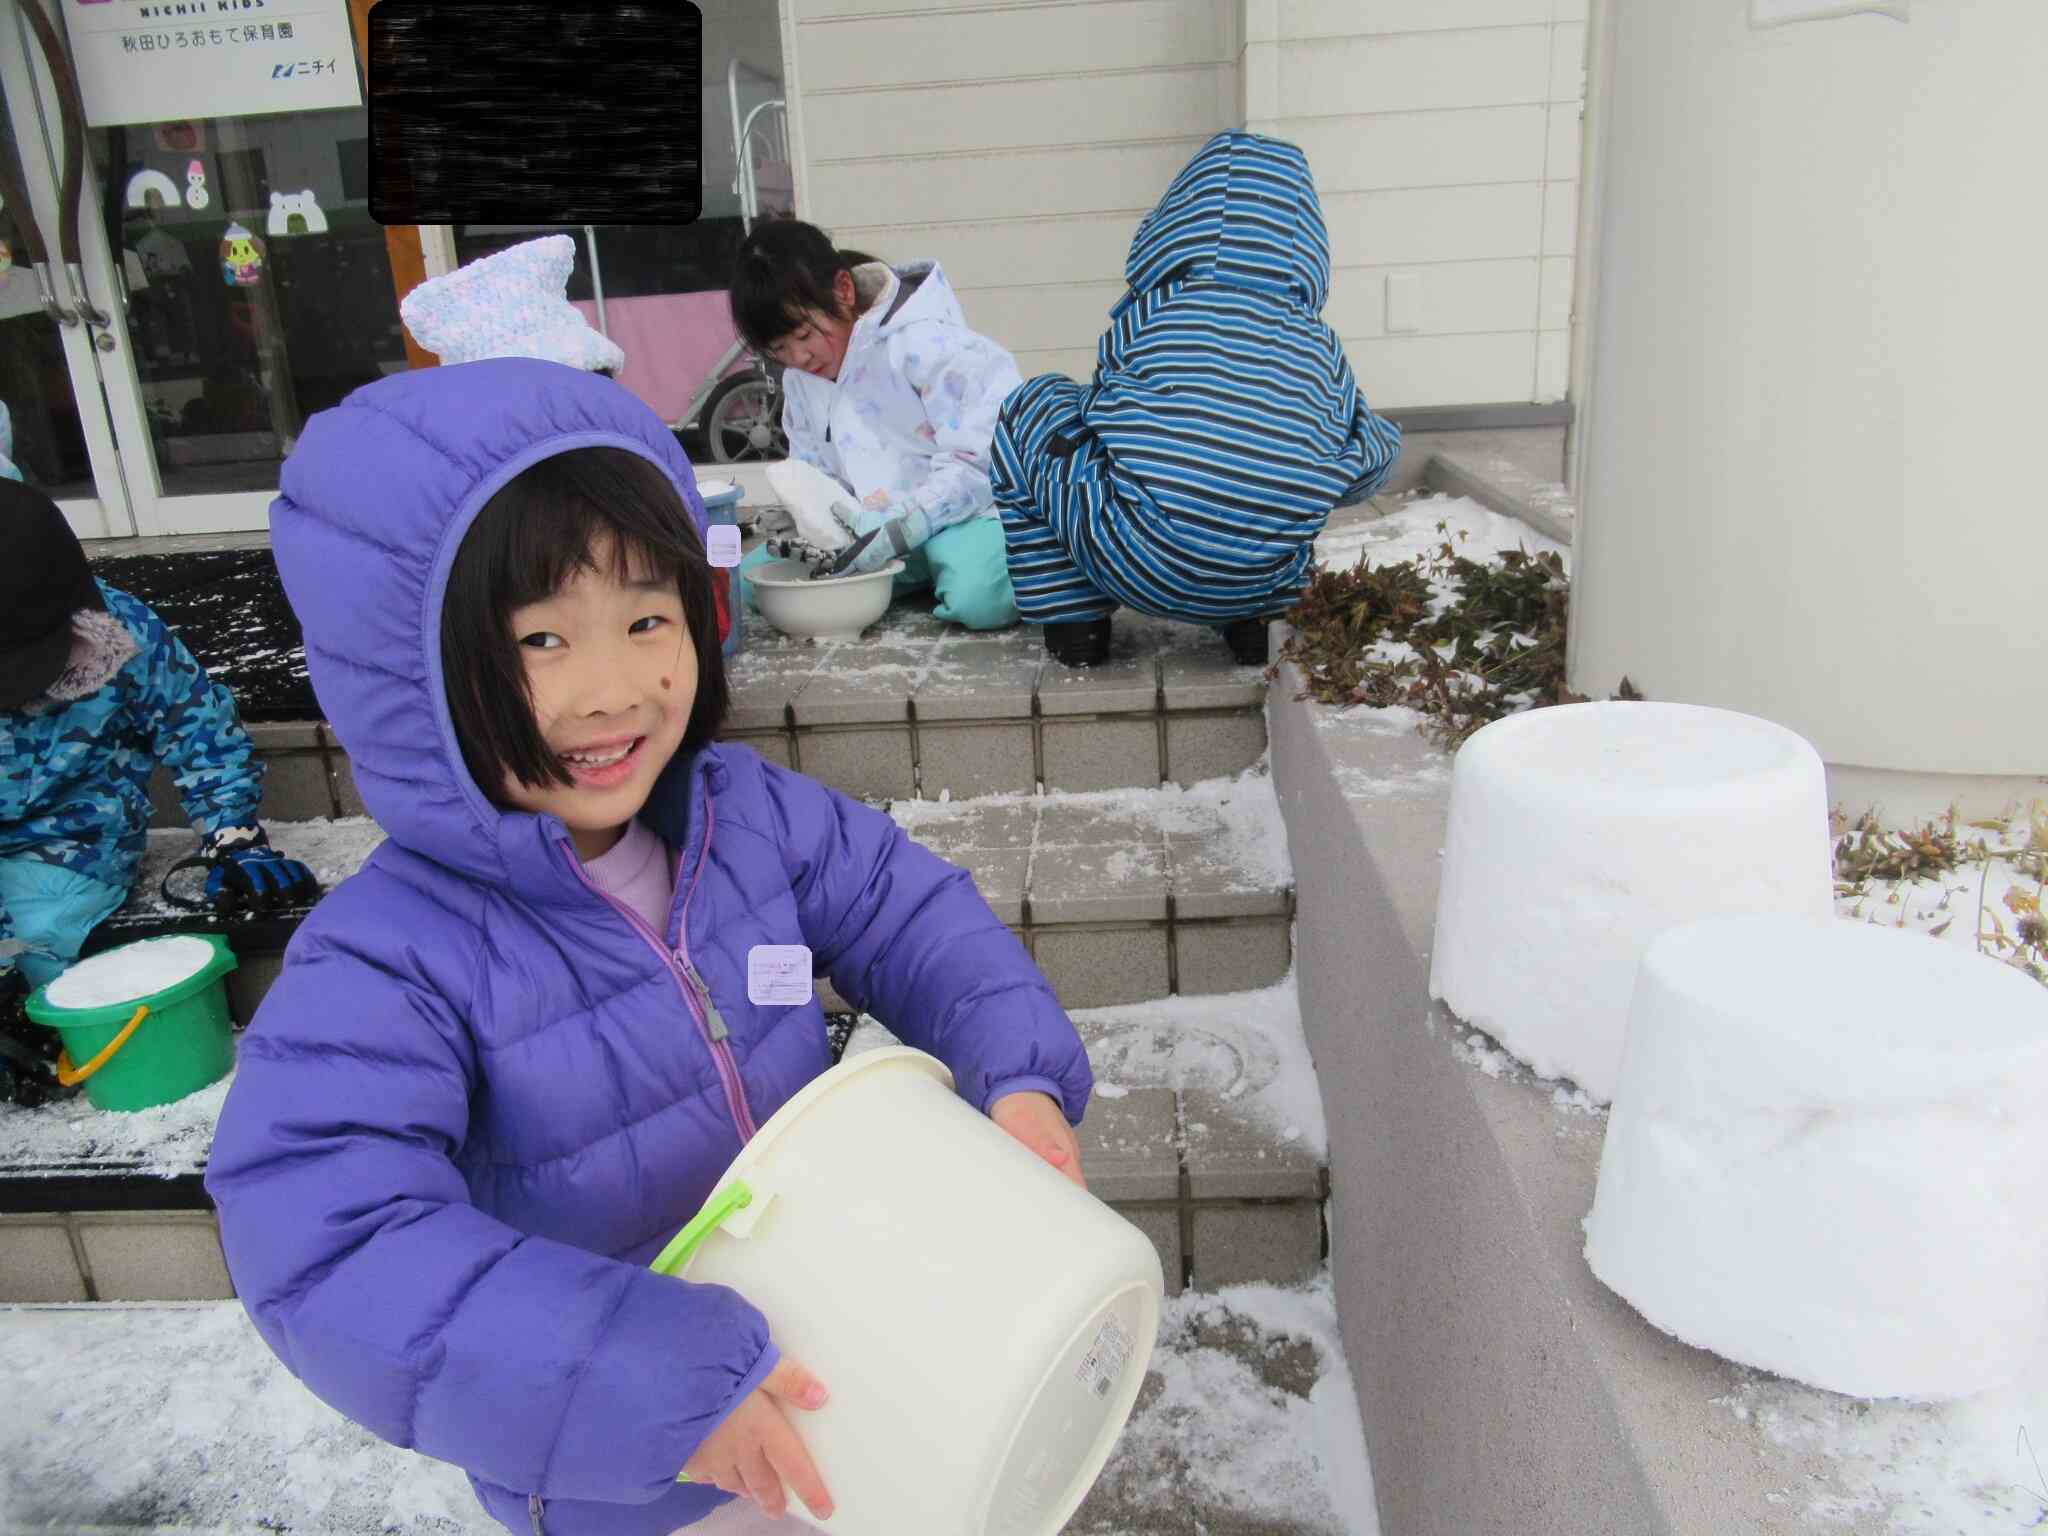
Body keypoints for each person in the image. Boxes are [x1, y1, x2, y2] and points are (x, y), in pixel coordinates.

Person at [202, 358, 1094, 1536]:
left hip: (839, 1375)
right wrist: (653, 1391)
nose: (609, 691)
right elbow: (327, 1242)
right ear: (408, 681)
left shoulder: (743, 815)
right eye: (537, 641)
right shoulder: (390, 958)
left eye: (642, 619)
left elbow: (908, 912)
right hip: (623, 1476)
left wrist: (1015, 1069)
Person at [990, 130, 1404, 668]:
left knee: (1034, 404)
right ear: (1304, 241)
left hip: (1132, 559)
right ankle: (1255, 626)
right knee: (1269, 490)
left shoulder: (1154, 312)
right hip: (1263, 577)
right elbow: (1362, 463)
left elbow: (1105, 413)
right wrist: (1359, 453)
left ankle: (1075, 621)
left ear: (1176, 221)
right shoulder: (1319, 346)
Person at [0, 479, 318, 997]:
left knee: (37, 939)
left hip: (68, 842)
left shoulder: (118, 632)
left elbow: (197, 727)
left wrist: (232, 835)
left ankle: (46, 1033)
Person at [728, 220, 1021, 631]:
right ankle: (910, 576)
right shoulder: (800, 383)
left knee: (980, 599)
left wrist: (906, 524)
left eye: (804, 335)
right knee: (744, 583)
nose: (799, 357)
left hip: (958, 520)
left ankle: (943, 571)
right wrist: (802, 515)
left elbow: (981, 461)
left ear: (843, 291)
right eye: (779, 349)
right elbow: (818, 475)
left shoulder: (926, 344)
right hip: (865, 535)